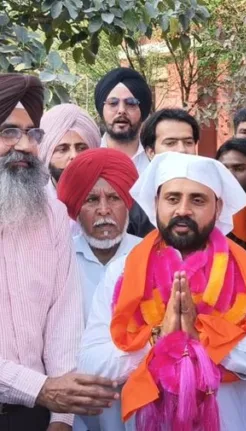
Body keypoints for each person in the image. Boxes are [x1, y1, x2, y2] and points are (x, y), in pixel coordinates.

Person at [78, 152, 246, 431]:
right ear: (156, 203)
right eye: (172, 198)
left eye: (198, 200)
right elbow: (91, 364)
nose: (183, 210)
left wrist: (205, 336)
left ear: (218, 207)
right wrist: (159, 339)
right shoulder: (124, 271)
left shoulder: (245, 271)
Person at [0, 73, 118, 431]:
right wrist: (42, 388)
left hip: (38, 415)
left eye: (32, 134)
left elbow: (64, 316)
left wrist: (62, 419)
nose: (25, 145)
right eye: (9, 132)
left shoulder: (50, 212)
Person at [57, 148, 141, 321]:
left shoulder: (149, 254)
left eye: (114, 198)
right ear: (77, 209)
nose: (104, 210)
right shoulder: (59, 258)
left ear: (127, 205)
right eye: (91, 200)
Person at [126, 108, 202, 238]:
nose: (182, 150)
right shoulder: (134, 206)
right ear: (151, 152)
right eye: (171, 143)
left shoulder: (210, 194)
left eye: (188, 142)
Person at [95, 67, 152, 175]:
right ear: (102, 110)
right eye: (113, 103)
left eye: (131, 103)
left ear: (142, 110)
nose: (121, 110)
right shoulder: (88, 157)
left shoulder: (154, 159)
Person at [39, 103, 101, 198]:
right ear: (47, 154)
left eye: (81, 148)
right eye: (63, 149)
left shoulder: (108, 200)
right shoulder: (35, 203)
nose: (74, 156)